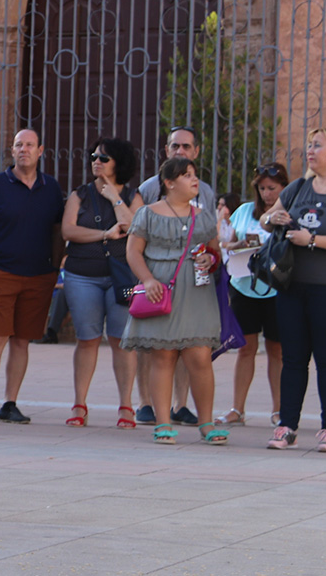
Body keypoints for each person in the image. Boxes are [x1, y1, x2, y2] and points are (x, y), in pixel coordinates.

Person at [260, 128, 326, 452]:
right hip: (292, 286)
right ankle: (287, 425)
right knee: (293, 359)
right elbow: (265, 218)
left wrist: (313, 240)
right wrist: (272, 217)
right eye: (309, 144)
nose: (310, 150)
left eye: (317, 145)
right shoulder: (298, 187)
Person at [121, 157, 226, 446]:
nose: (195, 180)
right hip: (160, 291)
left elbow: (214, 251)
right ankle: (163, 422)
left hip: (196, 292)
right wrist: (147, 280)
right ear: (169, 183)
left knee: (200, 356)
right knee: (163, 356)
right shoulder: (147, 214)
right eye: (187, 175)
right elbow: (133, 252)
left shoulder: (203, 216)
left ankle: (206, 422)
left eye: (195, 174)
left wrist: (210, 259)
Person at [0, 128, 65, 425]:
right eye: (18, 145)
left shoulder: (51, 188)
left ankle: (10, 403)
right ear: (12, 151)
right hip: (1, 274)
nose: (24, 149)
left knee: (22, 341)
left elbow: (58, 230)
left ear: (41, 151)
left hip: (39, 277)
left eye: (30, 145)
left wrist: (54, 268)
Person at [60, 138, 143, 428]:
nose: (96, 161)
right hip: (83, 275)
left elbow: (134, 227)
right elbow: (68, 230)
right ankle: (79, 404)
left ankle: (126, 407)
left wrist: (115, 199)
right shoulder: (80, 194)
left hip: (123, 276)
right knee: (87, 339)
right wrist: (104, 234)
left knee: (122, 341)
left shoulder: (132, 196)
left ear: (118, 163)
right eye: (94, 156)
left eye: (104, 158)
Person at [136, 126, 215, 427]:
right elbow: (135, 245)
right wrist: (146, 279)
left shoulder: (204, 192)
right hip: (158, 283)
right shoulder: (146, 191)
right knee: (158, 349)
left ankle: (182, 404)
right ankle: (149, 405)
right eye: (174, 146)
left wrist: (211, 259)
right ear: (166, 149)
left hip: (194, 285)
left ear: (195, 151)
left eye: (186, 147)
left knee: (193, 348)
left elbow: (212, 243)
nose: (180, 151)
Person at [219, 163, 287, 428]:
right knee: (245, 349)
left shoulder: (287, 213)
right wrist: (240, 244)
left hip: (276, 289)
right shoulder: (246, 210)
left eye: (272, 188)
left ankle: (279, 410)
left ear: (284, 188)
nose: (267, 194)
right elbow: (227, 243)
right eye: (262, 188)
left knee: (276, 350)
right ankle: (238, 409)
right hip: (244, 286)